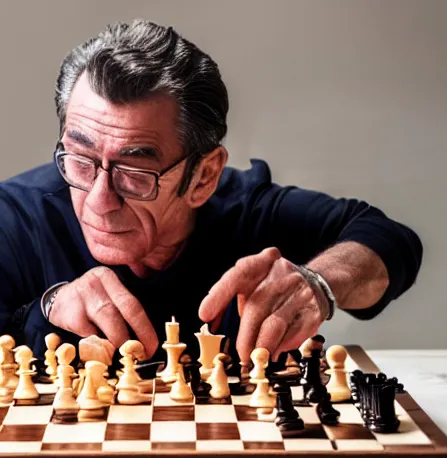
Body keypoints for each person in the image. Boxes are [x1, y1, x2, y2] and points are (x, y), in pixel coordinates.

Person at [0, 20, 422, 369]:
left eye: (135, 171)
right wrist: (48, 306)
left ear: (203, 176)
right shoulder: (15, 215)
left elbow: (392, 242)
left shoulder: (247, 210)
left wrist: (320, 282)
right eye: (80, 157)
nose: (98, 199)